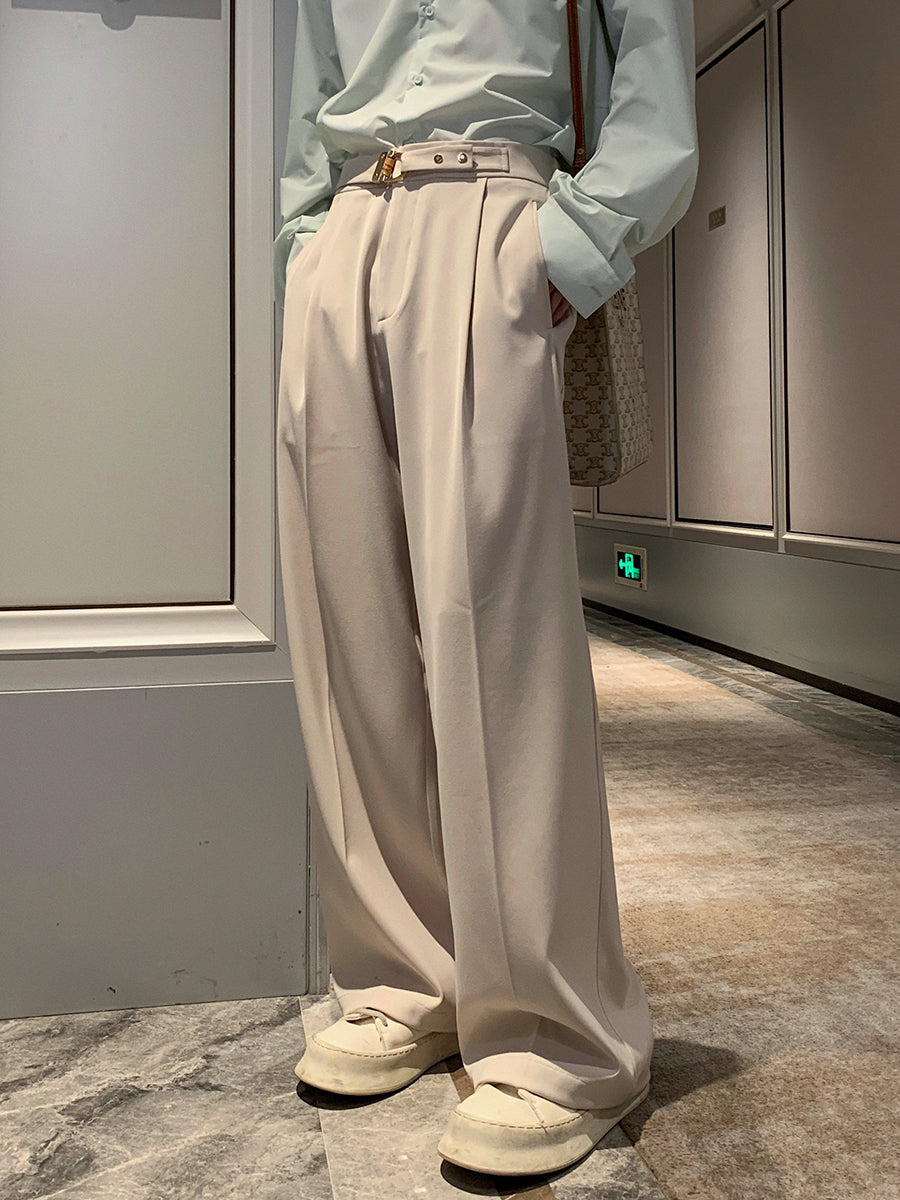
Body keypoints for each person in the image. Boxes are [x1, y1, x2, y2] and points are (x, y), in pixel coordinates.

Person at [273, 0, 698, 1178]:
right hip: (347, 222)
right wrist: (304, 250)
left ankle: (564, 1035)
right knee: (348, 630)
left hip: (492, 214)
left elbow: (653, 76)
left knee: (498, 641)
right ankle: (404, 980)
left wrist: (573, 242)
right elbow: (313, 95)